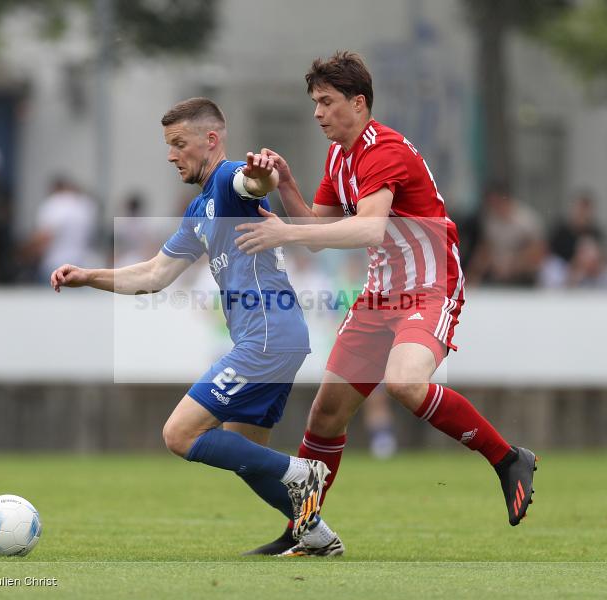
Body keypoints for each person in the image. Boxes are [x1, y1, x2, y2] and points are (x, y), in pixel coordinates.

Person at [235, 51, 537, 556]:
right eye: (314, 103)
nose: (317, 113)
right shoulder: (338, 156)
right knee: (324, 419)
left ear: (358, 102)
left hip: (430, 286)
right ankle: (305, 532)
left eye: (327, 102)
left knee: (404, 382)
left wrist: (282, 230)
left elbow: (370, 227)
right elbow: (316, 233)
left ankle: (507, 458)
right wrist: (286, 183)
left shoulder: (384, 150)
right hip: (379, 295)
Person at [50, 98, 342, 554]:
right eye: (169, 145)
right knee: (243, 453)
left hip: (266, 337)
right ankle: (314, 533)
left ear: (210, 139)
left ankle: (299, 472)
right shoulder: (199, 209)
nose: (171, 155)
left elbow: (253, 182)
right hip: (276, 337)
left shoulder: (227, 180)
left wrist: (263, 173)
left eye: (178, 144)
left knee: (180, 434)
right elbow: (153, 275)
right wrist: (89, 276)